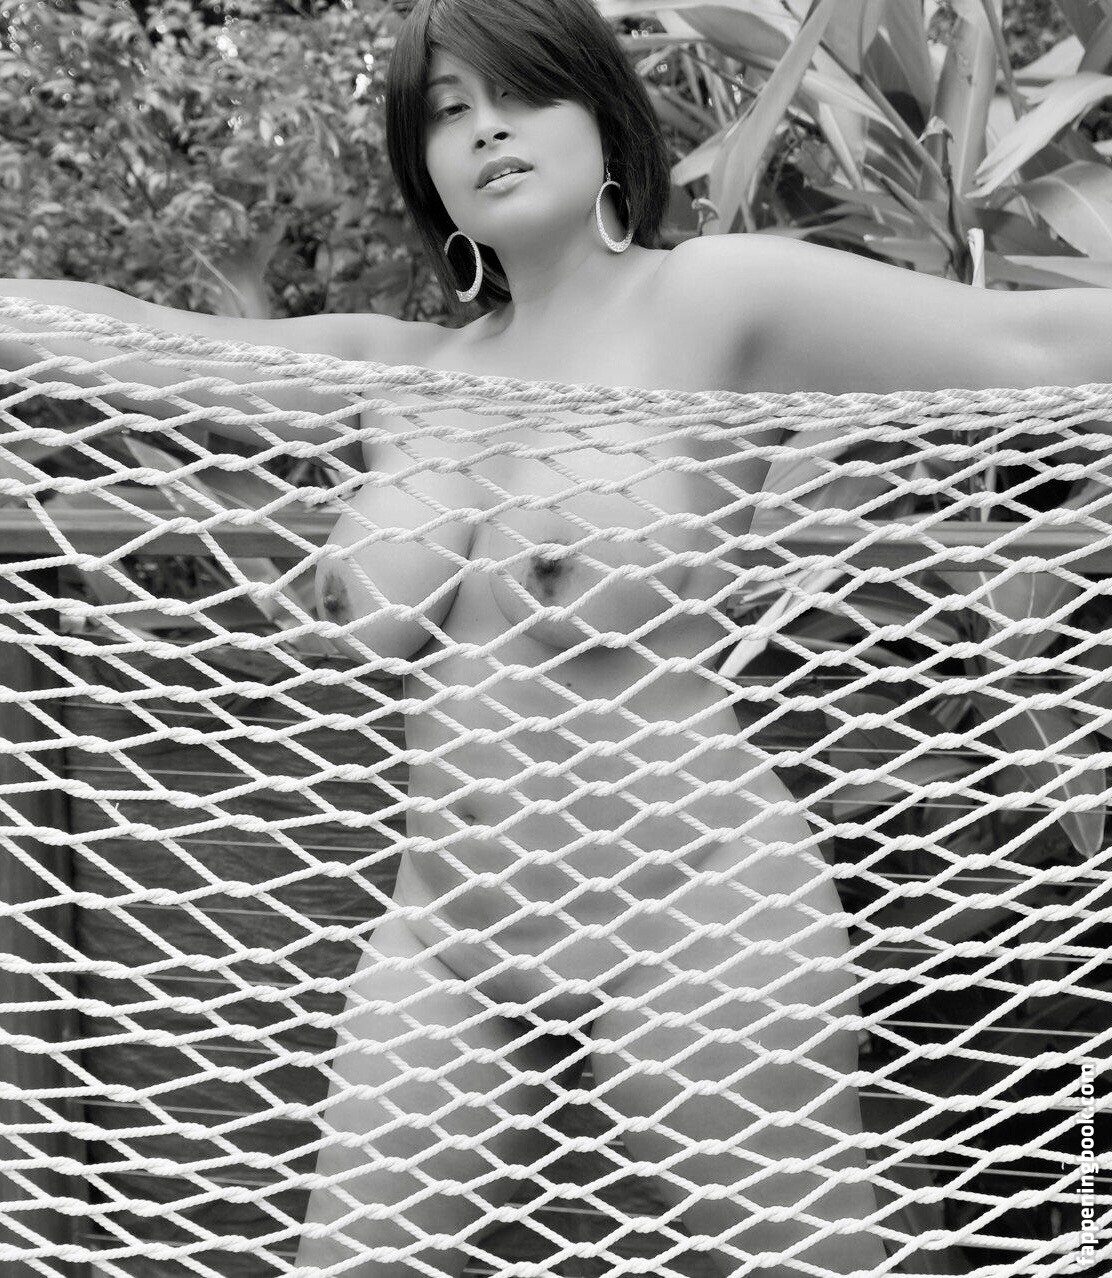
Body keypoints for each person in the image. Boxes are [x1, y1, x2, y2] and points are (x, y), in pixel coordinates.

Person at [1, 1, 1110, 1274]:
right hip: (443, 934)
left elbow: (1025, 345)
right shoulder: (397, 375)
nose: (486, 130)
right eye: (447, 112)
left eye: (520, 92)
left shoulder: (710, 301)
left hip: (692, 914)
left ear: (600, 113)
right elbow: (134, 345)